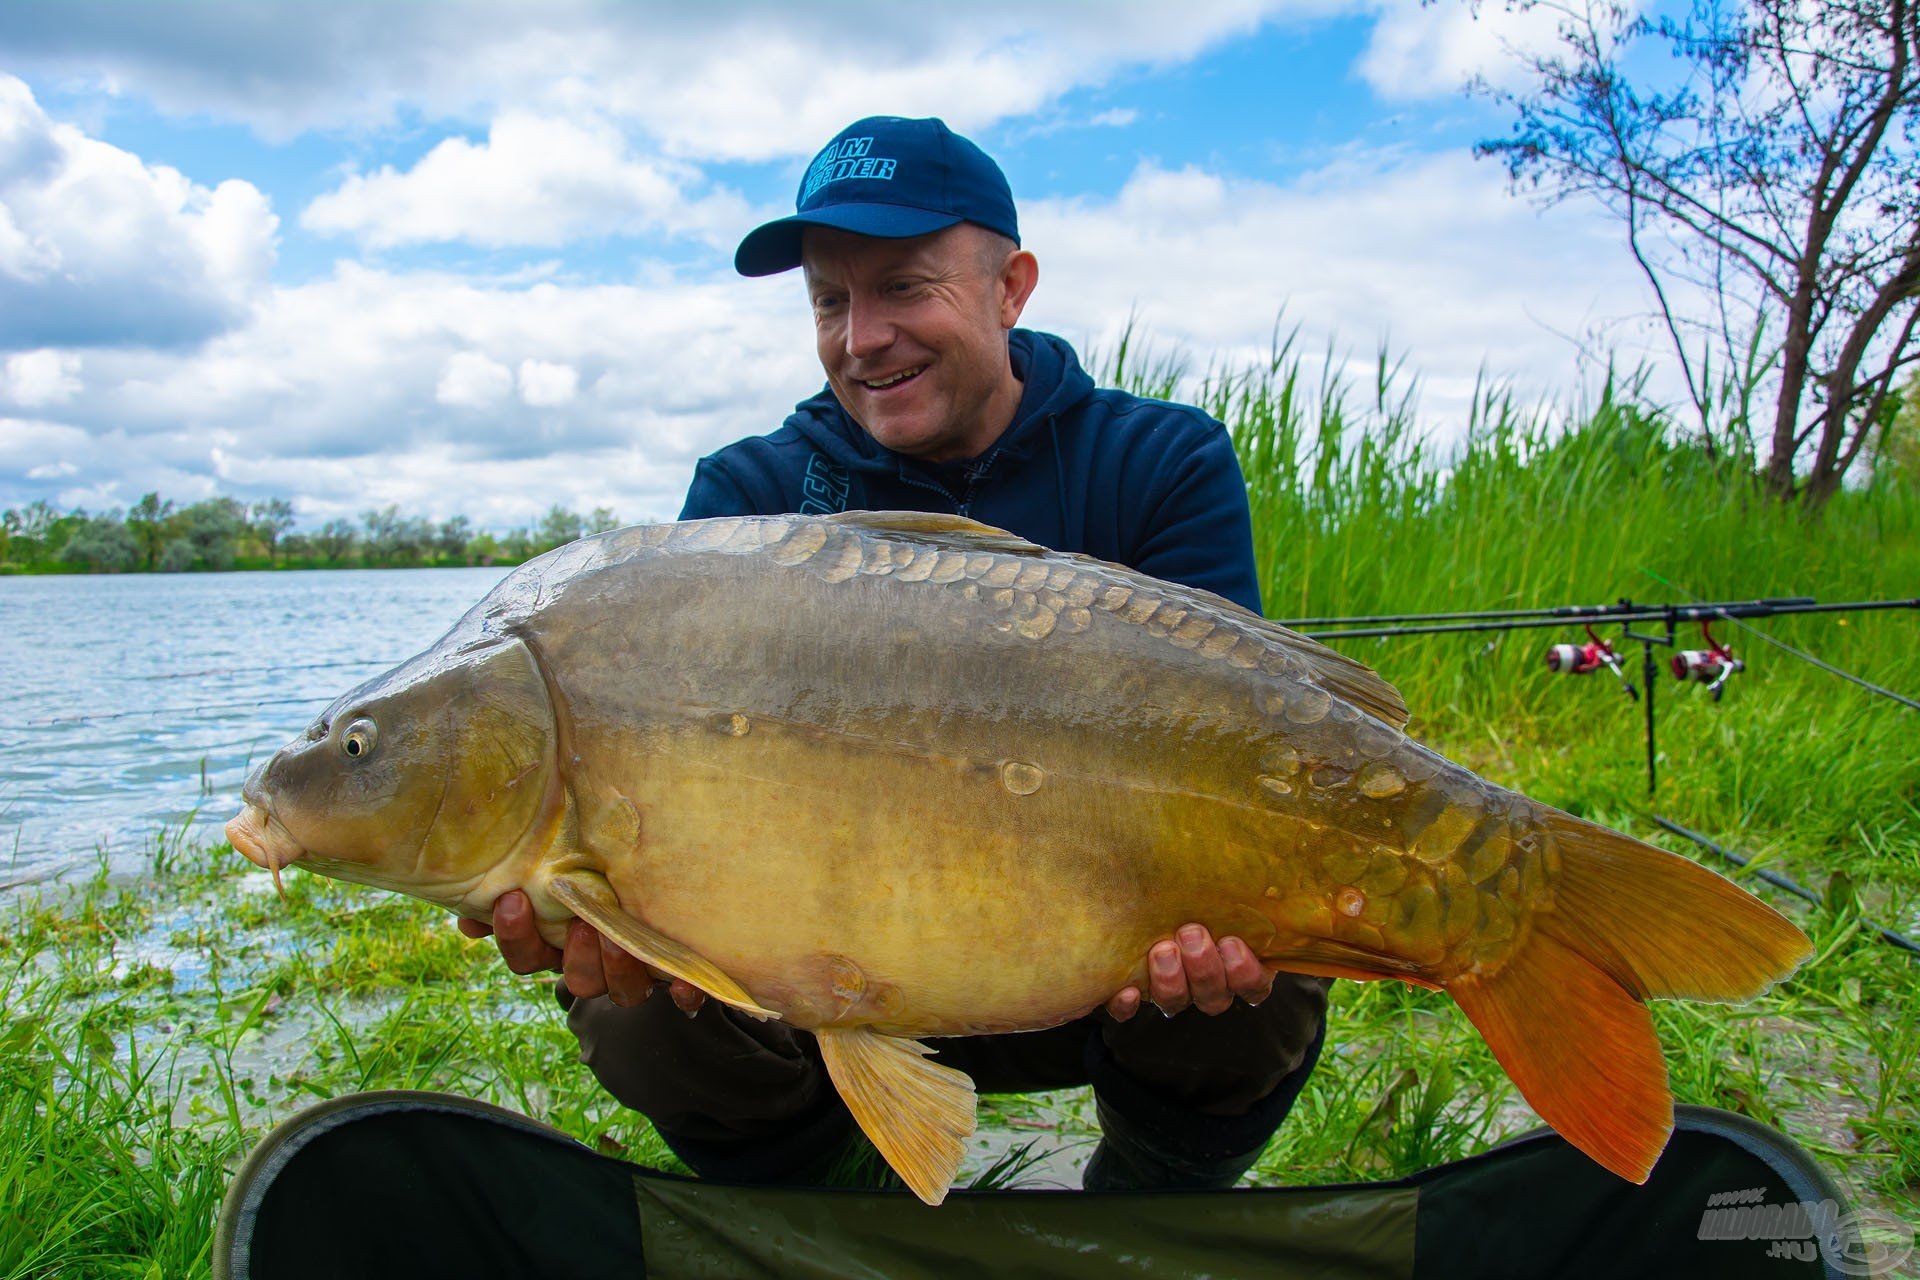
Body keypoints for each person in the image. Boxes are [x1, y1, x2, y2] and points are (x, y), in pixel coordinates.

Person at [463, 116, 1330, 1192]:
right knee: (629, 1000)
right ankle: (860, 1219)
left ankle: (1148, 1207)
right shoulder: (745, 502)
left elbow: (1249, 741)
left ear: (1011, 287)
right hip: (808, 987)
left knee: (1261, 972)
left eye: (905, 288)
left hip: (1098, 971)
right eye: (830, 300)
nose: (861, 336)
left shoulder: (1157, 462)